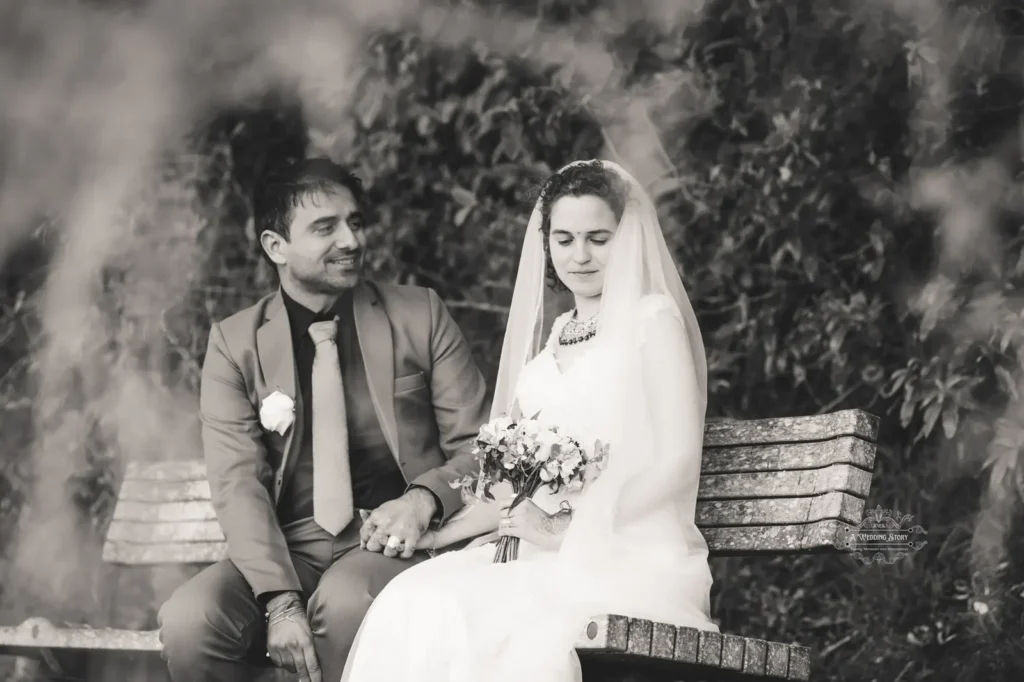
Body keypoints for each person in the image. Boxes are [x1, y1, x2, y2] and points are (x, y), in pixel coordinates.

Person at [339, 159, 719, 682]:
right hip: (537, 548)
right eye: (563, 239)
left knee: (515, 632)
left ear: (627, 238)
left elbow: (678, 461)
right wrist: (436, 536)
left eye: (597, 238)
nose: (579, 255)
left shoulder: (653, 321)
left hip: (626, 549)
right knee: (416, 601)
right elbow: (510, 487)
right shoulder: (557, 334)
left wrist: (575, 529)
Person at [156, 157, 490, 682]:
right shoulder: (235, 343)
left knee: (343, 602)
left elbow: (480, 447)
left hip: (394, 543)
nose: (351, 240)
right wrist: (280, 603)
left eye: (354, 222)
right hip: (290, 546)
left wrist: (422, 499)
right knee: (190, 621)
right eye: (325, 228)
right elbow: (237, 482)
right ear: (275, 247)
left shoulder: (419, 314)